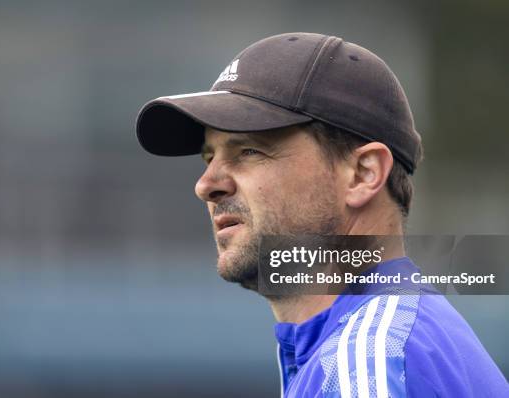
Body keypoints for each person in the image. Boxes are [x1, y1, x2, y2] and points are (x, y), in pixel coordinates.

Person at [136, 33, 508, 397]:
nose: (206, 185)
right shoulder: (385, 343)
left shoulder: (367, 360)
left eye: (249, 151)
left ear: (364, 174)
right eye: (209, 157)